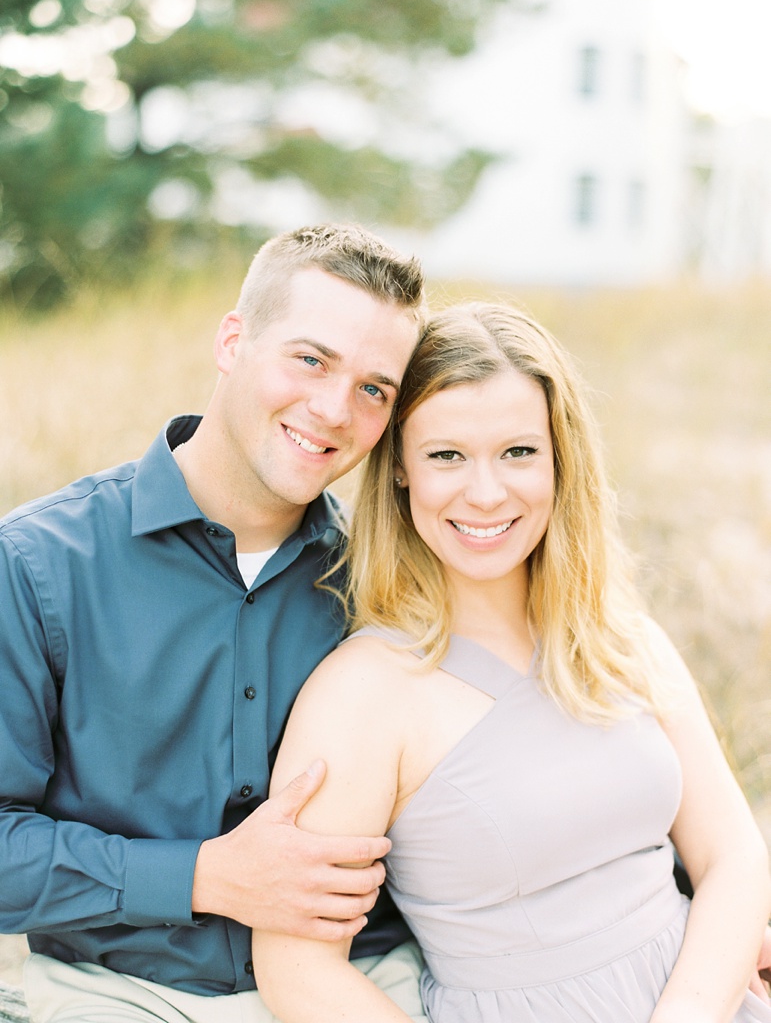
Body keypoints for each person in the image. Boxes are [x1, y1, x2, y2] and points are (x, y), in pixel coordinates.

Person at [251, 301, 771, 1022]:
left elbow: (734, 860)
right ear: (400, 471)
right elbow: (296, 971)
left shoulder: (622, 639)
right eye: (446, 456)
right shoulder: (361, 694)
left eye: (518, 452)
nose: (486, 492)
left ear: (560, 459)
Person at [0, 223, 430, 1021]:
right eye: (310, 359)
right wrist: (203, 876)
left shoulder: (395, 583)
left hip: (371, 988)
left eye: (374, 388)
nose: (333, 409)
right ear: (232, 341)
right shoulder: (36, 565)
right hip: (121, 995)